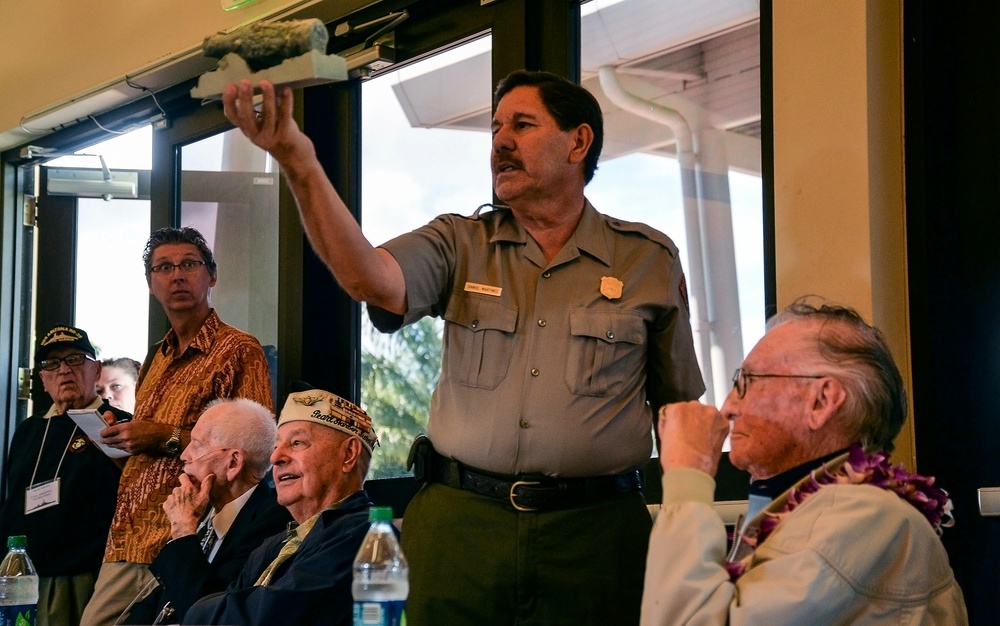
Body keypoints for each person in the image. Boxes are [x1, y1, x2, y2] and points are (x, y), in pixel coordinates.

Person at [222, 69, 705, 624]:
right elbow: (367, 277)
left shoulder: (647, 260)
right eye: (496, 128)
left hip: (595, 535)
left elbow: (679, 410)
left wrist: (685, 530)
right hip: (462, 527)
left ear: (579, 141)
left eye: (523, 125)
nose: (501, 141)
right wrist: (298, 161)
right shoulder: (459, 243)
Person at [641, 301, 969, 625]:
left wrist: (688, 474)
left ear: (821, 401)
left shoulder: (862, 513)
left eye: (746, 382)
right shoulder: (807, 505)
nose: (727, 408)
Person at [81, 227, 274, 626]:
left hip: (182, 528)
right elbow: (150, 445)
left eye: (189, 264)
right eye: (164, 268)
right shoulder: (157, 355)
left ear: (212, 275)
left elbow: (257, 450)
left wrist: (161, 436)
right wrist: (124, 440)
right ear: (151, 284)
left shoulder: (239, 350)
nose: (177, 276)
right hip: (127, 529)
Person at [181, 388, 378, 626]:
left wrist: (197, 612)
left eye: (297, 442)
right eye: (276, 445)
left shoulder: (364, 536)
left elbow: (268, 616)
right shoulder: (275, 544)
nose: (276, 457)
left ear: (348, 454)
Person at [0, 325, 127, 626]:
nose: (63, 371)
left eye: (74, 359)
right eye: (51, 364)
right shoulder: (28, 431)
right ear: (42, 379)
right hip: (20, 578)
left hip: (83, 578)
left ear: (96, 370)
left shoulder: (116, 425)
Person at [124, 397, 291, 625]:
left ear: (233, 463)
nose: (184, 455)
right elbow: (159, 601)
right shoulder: (203, 509)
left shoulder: (271, 524)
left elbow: (208, 612)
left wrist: (183, 530)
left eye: (198, 444)